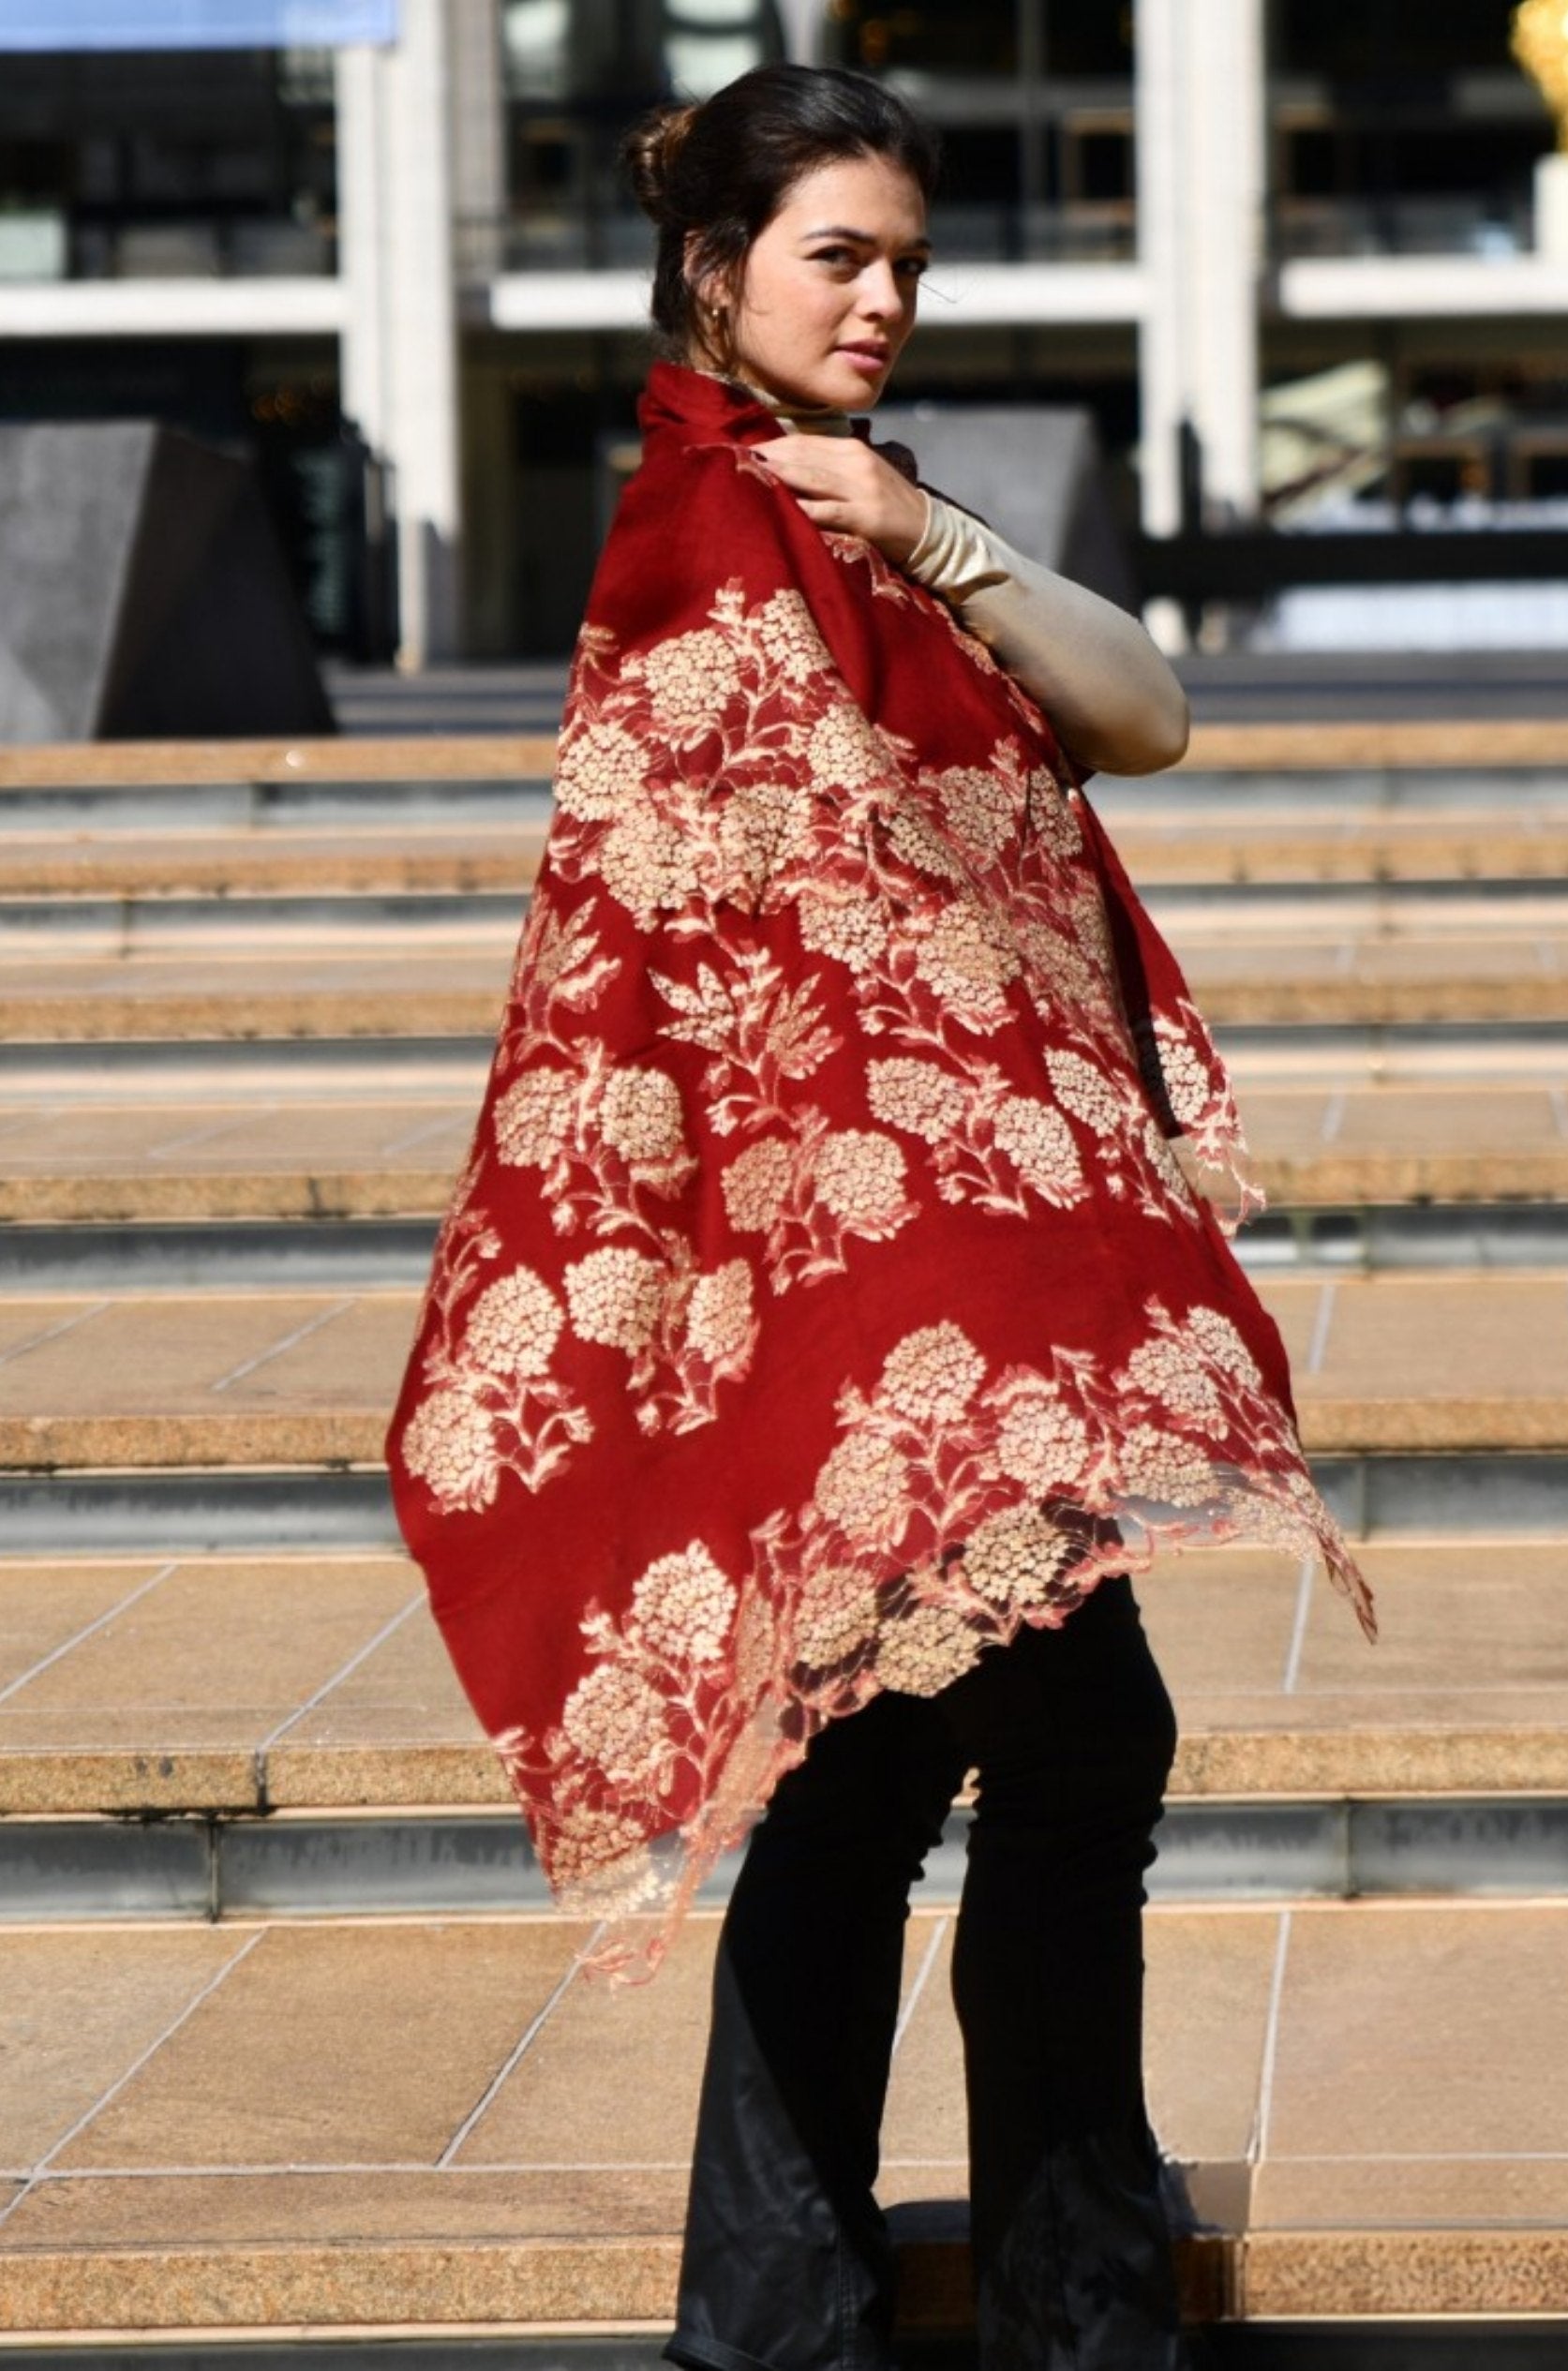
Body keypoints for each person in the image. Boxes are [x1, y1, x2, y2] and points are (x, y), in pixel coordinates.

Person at [386, 61, 1373, 2371]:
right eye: (838, 253)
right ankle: (1035, 2299)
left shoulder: (868, 512)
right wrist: (899, 1184)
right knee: (1029, 1744)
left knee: (898, 1769)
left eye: (907, 261)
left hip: (966, 1234)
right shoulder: (692, 534)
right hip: (865, 1250)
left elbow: (1137, 721)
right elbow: (748, 924)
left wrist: (930, 537)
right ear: (716, 269)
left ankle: (800, 2309)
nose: (884, 297)